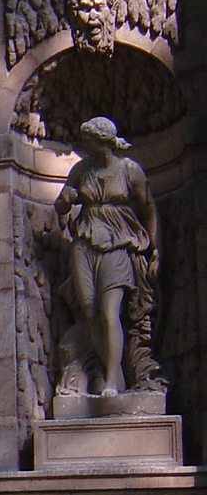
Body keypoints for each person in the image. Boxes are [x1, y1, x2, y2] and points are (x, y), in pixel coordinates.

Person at [54, 116, 162, 399]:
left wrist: (154, 247)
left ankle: (112, 380)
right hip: (85, 243)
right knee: (89, 312)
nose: (83, 144)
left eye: (87, 139)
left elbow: (148, 208)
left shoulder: (129, 170)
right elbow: (61, 206)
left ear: (103, 142)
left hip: (118, 244)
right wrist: (66, 199)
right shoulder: (81, 170)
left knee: (108, 312)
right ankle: (115, 373)